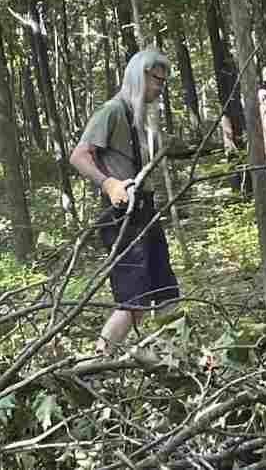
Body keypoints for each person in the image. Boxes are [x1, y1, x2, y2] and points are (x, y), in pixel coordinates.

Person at [69, 49, 179, 353]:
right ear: (140, 75)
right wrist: (109, 184)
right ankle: (94, 363)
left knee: (167, 292)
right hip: (121, 217)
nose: (160, 88)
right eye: (157, 80)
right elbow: (79, 156)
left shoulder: (139, 116)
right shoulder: (112, 111)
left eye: (163, 81)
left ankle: (172, 360)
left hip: (146, 213)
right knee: (134, 302)